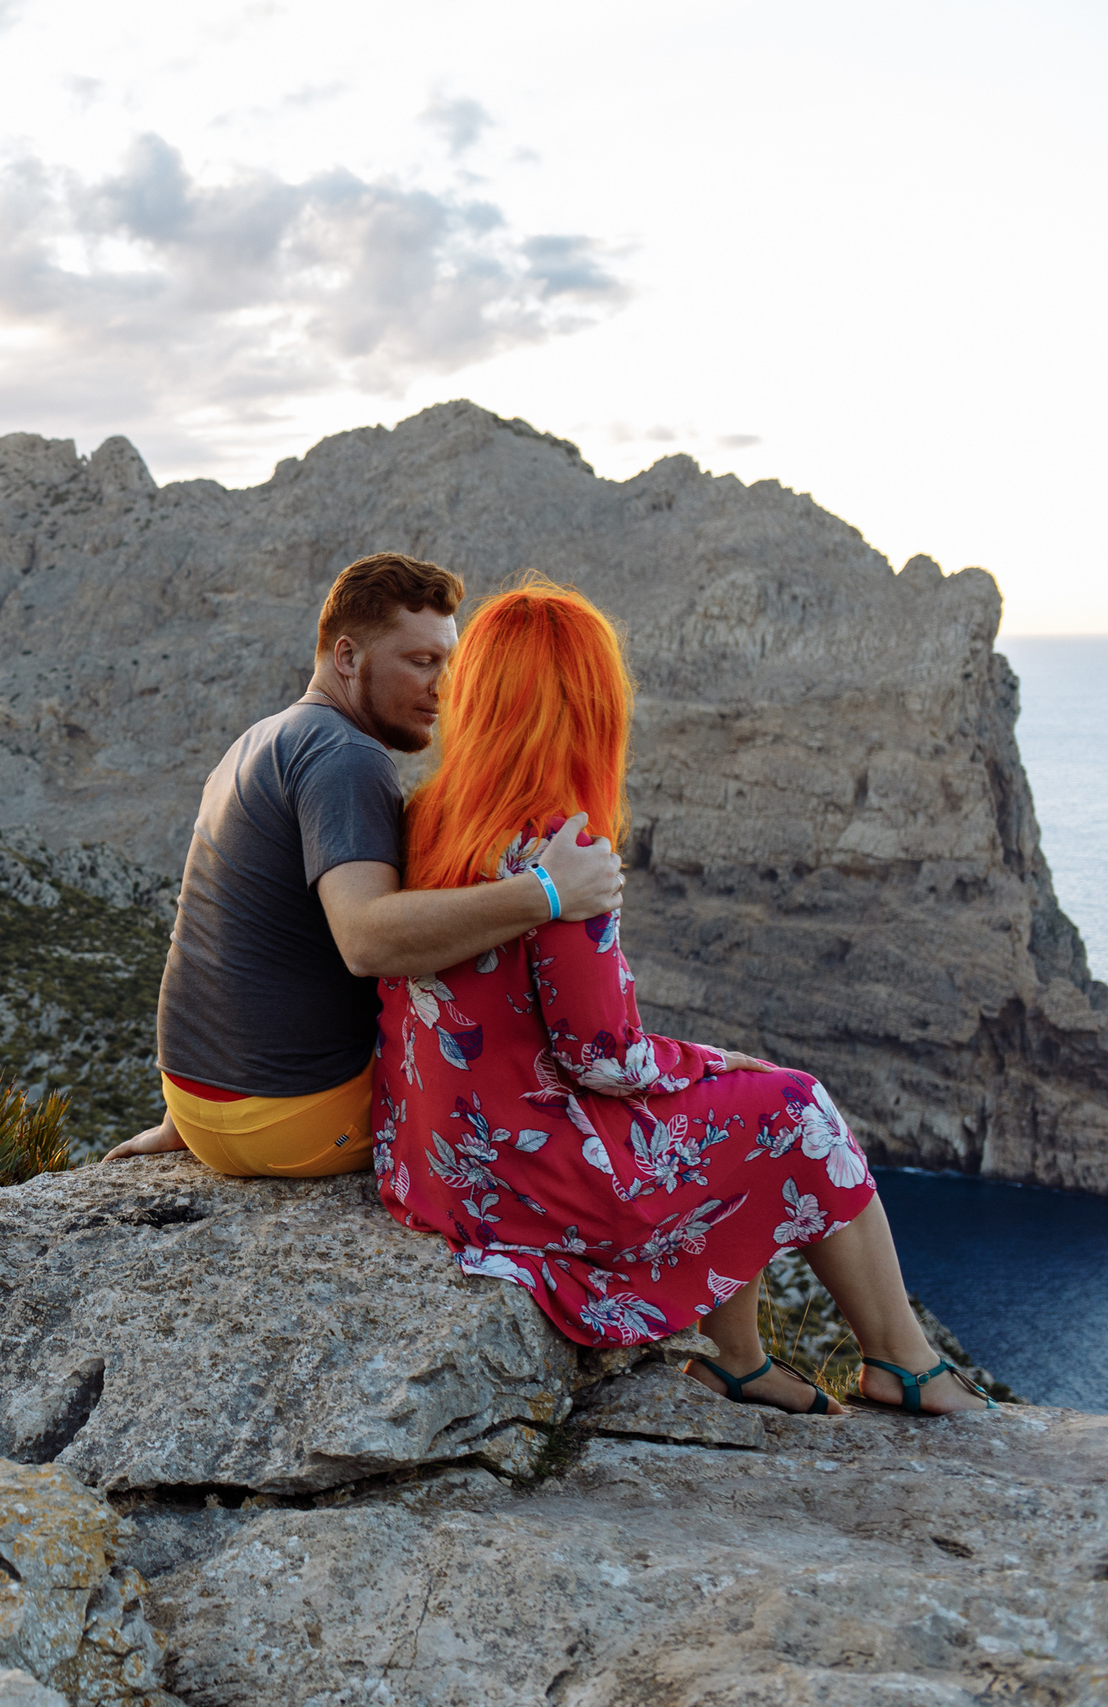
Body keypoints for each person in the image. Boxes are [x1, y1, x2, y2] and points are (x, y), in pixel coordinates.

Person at [370, 578, 991, 1416]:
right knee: (795, 1105)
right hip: (534, 1179)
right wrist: (704, 1061)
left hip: (440, 1165)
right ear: (588, 709)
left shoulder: (427, 816)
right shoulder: (563, 851)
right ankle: (903, 1361)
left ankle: (738, 1357)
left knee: (727, 1102)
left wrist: (699, 1070)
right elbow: (605, 1058)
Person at [106, 551, 622, 1178]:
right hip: (295, 1120)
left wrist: (192, 1117)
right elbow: (367, 939)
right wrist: (547, 891)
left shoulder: (258, 739)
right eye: (421, 662)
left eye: (450, 663)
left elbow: (212, 929)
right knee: (523, 1089)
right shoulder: (346, 756)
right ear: (347, 658)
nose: (444, 686)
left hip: (197, 1106)